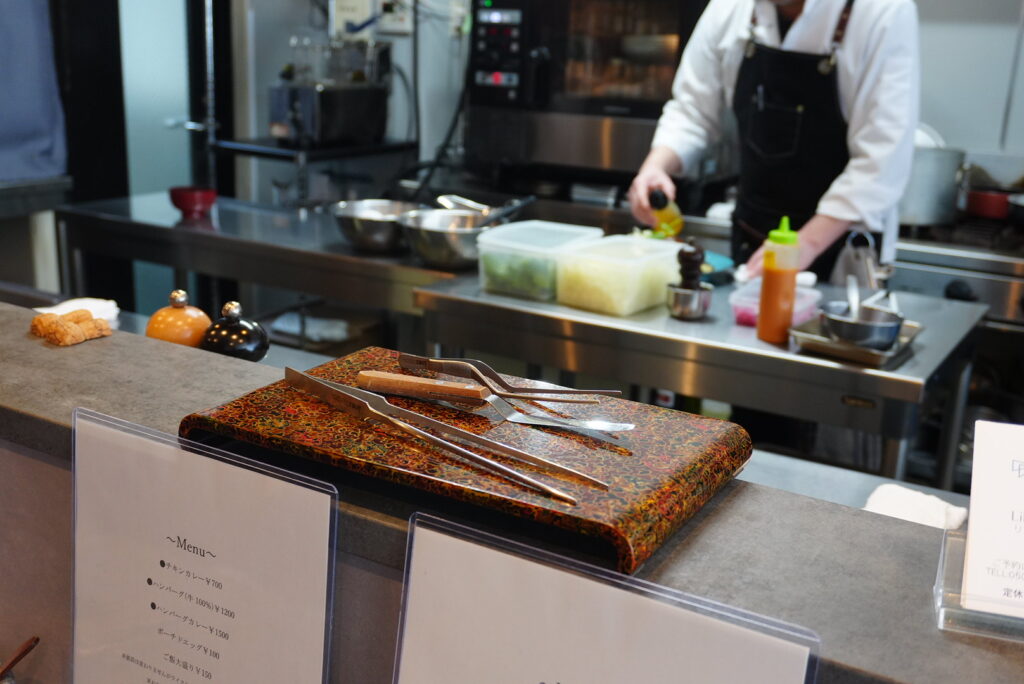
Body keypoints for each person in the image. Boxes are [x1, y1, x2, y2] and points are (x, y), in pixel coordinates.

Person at [628, 0, 919, 281]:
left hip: (839, 249)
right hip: (752, 233)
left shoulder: (883, 12)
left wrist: (806, 244)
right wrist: (656, 166)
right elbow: (692, 111)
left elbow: (881, 159)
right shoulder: (729, 8)